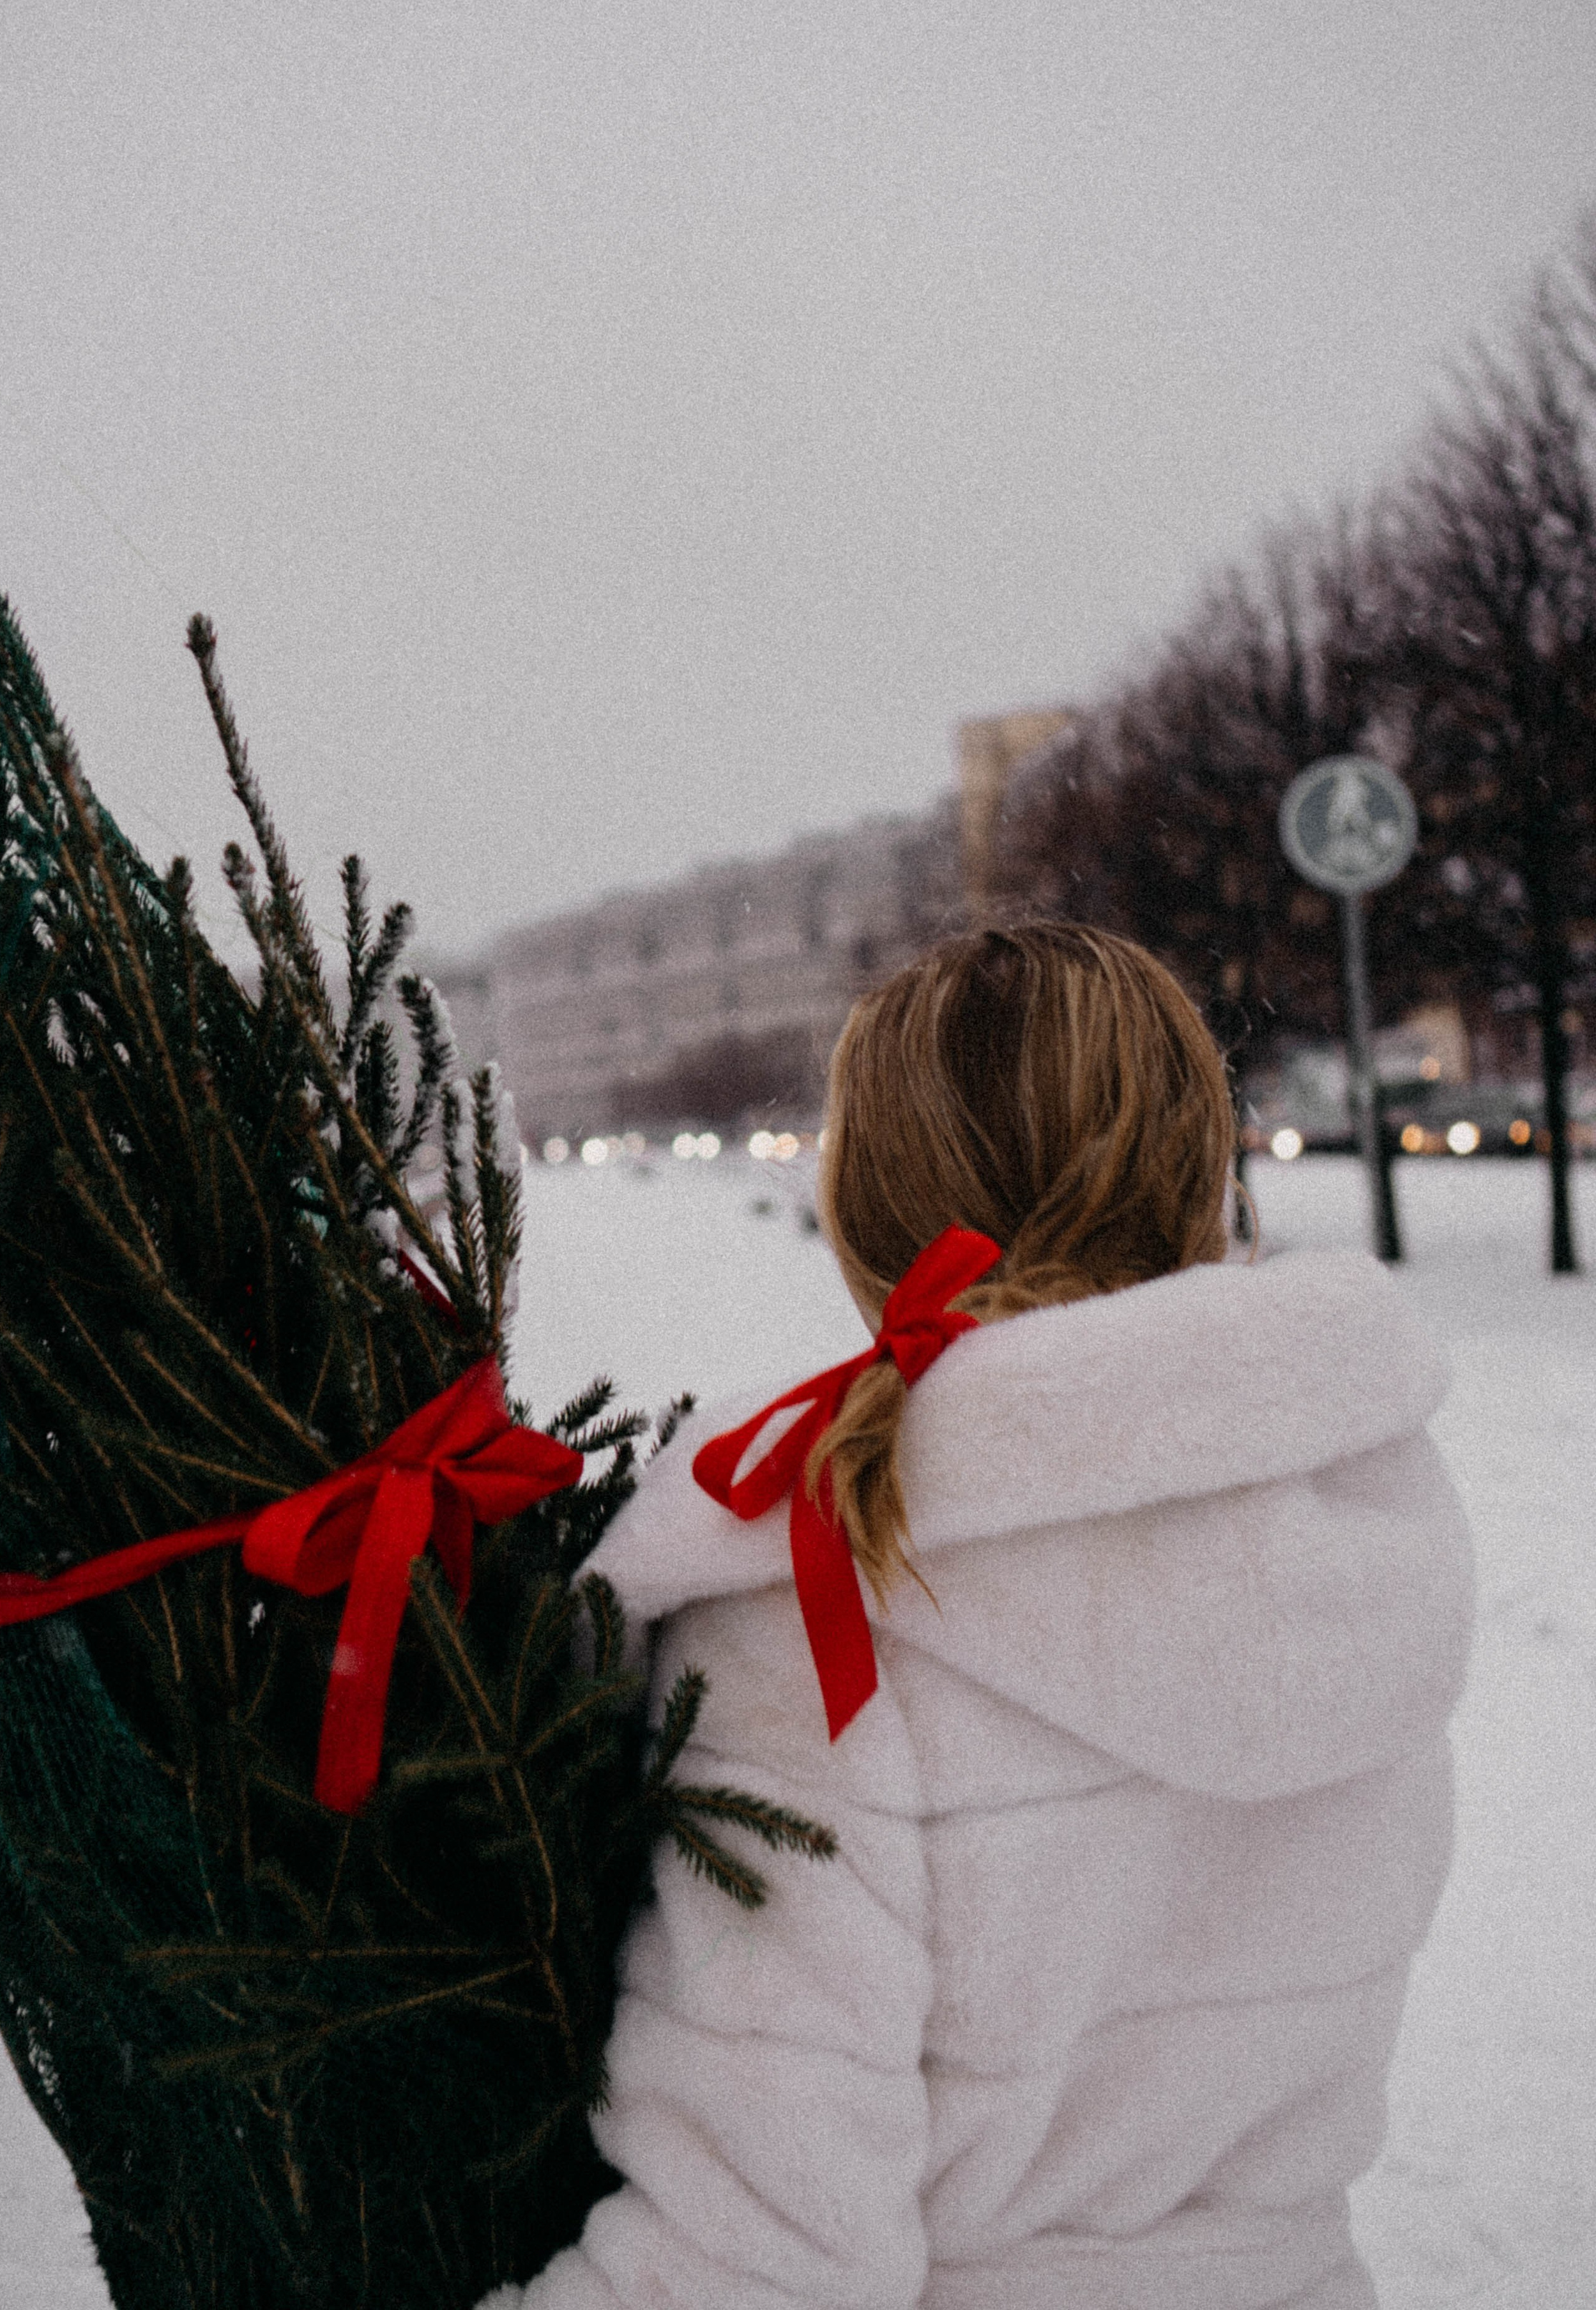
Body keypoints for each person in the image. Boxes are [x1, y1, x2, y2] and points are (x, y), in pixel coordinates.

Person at [485, 922, 1472, 2310]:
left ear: (870, 1193)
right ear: (1199, 1156)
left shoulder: (827, 1614)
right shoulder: (1351, 1537)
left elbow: (758, 2255)